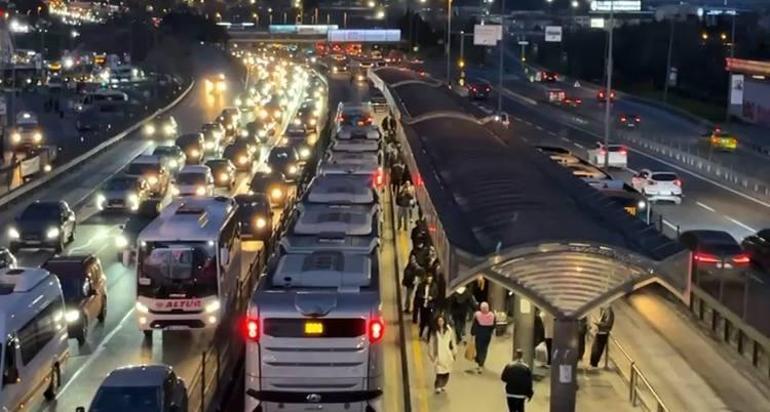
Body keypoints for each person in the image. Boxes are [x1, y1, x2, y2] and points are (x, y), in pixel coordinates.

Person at [428, 314, 457, 394]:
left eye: (442, 321)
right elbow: (431, 343)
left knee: (446, 372)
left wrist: (454, 352)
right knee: (439, 372)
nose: (440, 322)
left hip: (447, 354)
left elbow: (453, 341)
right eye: (439, 321)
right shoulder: (434, 332)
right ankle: (437, 386)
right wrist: (431, 354)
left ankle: (443, 384)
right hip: (439, 354)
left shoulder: (449, 330)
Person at [470, 302, 496, 373]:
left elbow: (474, 325)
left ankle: (479, 362)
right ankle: (481, 362)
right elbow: (493, 326)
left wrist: (472, 334)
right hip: (487, 335)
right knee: (484, 349)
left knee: (478, 348)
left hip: (479, 334)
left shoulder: (477, 315)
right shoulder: (492, 315)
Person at [414, 274, 437, 339]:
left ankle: (428, 337)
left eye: (430, 279)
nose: (429, 280)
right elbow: (418, 294)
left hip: (430, 306)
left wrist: (432, 298)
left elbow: (436, 295)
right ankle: (421, 333)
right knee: (423, 321)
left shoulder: (434, 286)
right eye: (428, 279)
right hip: (423, 306)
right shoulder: (421, 285)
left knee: (430, 322)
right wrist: (423, 297)